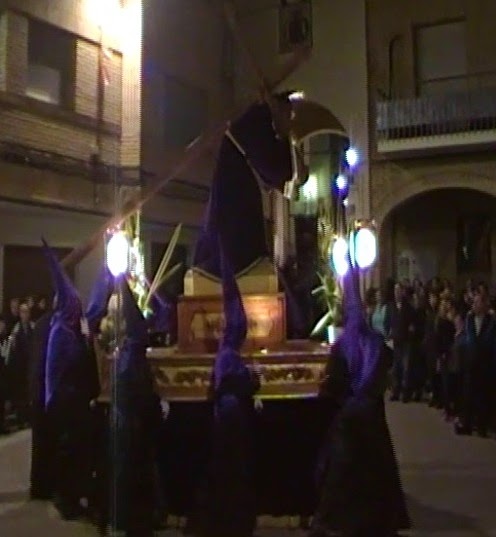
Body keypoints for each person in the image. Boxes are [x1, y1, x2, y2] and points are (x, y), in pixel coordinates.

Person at [311, 262, 410, 537]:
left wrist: (330, 391)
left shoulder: (343, 345)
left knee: (344, 474)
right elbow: (386, 368)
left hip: (349, 422)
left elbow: (333, 385)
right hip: (372, 420)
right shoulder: (375, 342)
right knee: (375, 473)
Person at [199, 239, 261, 537]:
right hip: (230, 422)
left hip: (227, 419)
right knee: (230, 473)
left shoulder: (228, 355)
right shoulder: (229, 357)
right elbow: (240, 384)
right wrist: (253, 379)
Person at [42, 238, 99, 519]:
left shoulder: (66, 328)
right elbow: (74, 361)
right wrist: (87, 343)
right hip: (64, 404)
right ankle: (67, 500)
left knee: (75, 451)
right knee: (68, 452)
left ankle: (73, 494)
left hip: (70, 401)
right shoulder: (62, 332)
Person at [109, 277, 164, 537]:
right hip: (133, 428)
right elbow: (140, 395)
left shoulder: (127, 353)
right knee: (135, 476)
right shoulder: (132, 357)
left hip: (128, 425)